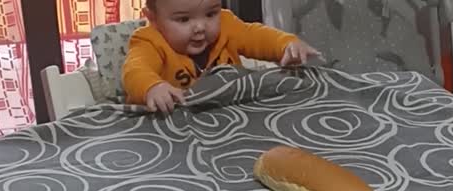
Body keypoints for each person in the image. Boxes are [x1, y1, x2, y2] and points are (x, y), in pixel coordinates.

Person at [122, 0, 321, 114]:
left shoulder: (227, 25)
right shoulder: (148, 40)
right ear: (153, 19)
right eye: (184, 19)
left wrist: (286, 44)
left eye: (210, 14)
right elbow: (135, 70)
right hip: (180, 120)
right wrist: (152, 87)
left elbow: (256, 36)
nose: (200, 27)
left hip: (232, 113)